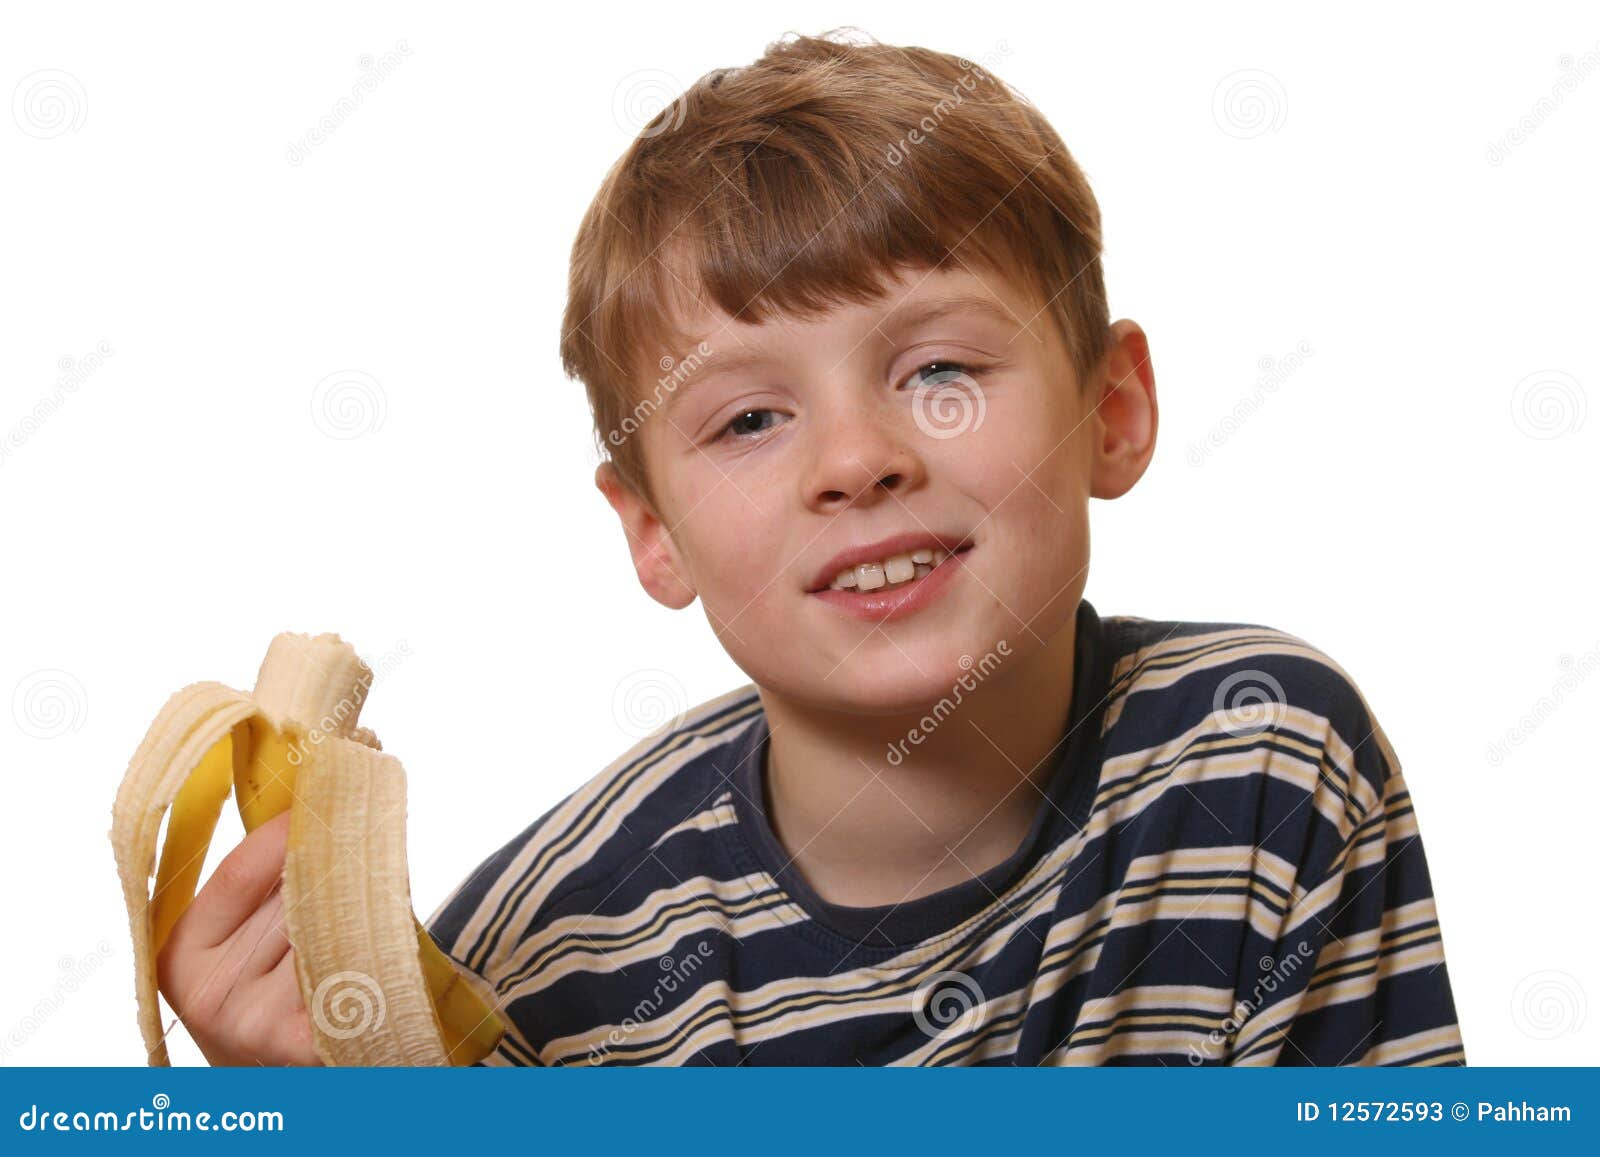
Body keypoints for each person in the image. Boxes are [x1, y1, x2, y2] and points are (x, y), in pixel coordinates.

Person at [157, 27, 1465, 1067]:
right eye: (750, 417)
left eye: (941, 368)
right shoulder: (542, 966)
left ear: (1110, 412)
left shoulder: (1266, 758)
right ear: (652, 532)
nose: (856, 460)